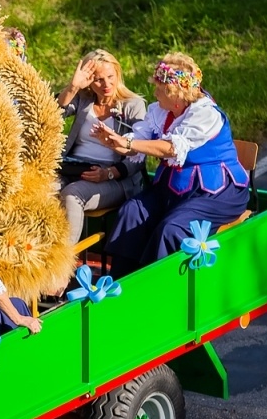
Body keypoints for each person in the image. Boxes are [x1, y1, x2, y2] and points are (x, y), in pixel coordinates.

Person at [89, 53, 250, 275]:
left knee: (172, 228)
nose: (155, 92)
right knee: (131, 211)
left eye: (159, 87)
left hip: (214, 193)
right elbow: (138, 142)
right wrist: (114, 142)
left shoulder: (205, 114)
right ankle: (121, 285)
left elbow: (171, 148)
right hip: (173, 189)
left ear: (174, 94)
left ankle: (155, 292)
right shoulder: (160, 110)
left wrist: (130, 143)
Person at [55, 50, 149, 245]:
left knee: (73, 195)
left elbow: (138, 155)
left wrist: (108, 174)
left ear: (118, 74)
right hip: (74, 167)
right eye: (98, 80)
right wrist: (73, 88)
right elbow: (52, 112)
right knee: (42, 190)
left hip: (115, 177)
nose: (106, 85)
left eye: (110, 77)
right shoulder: (84, 99)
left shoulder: (133, 105)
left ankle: (64, 264)